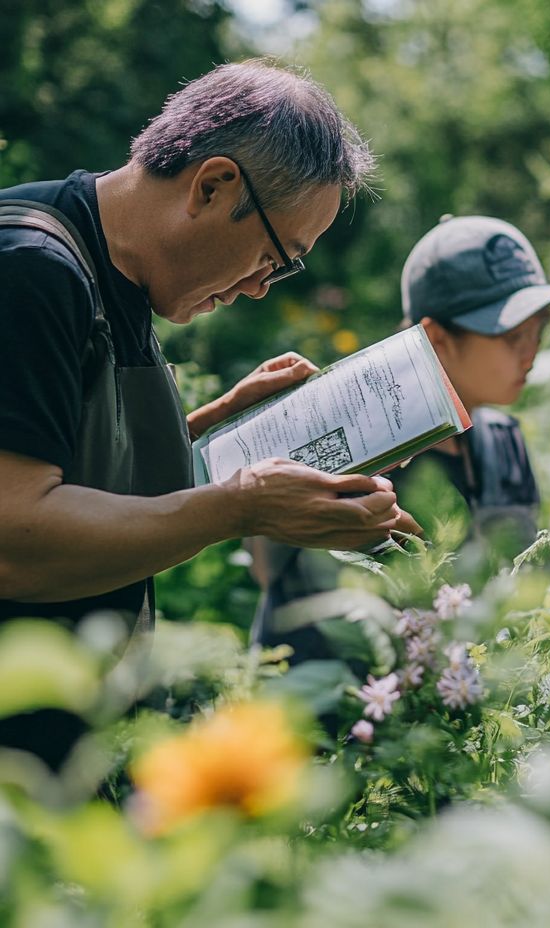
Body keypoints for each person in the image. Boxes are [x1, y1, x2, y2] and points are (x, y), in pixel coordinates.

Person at [0, 60, 417, 767]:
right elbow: (15, 537)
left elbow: (70, 460)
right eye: (273, 255)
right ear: (213, 184)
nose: (260, 287)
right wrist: (241, 508)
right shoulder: (31, 270)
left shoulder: (116, 277)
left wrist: (216, 427)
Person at [250, 216, 550, 658]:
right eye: (513, 336)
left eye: (540, 329)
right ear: (436, 337)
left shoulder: (504, 442)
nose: (532, 351)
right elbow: (270, 569)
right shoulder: (353, 443)